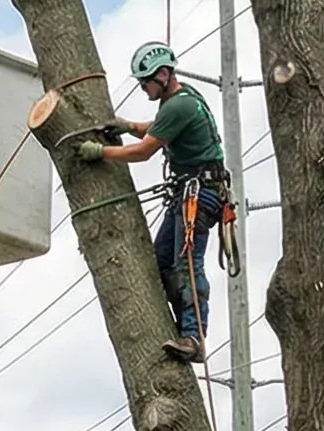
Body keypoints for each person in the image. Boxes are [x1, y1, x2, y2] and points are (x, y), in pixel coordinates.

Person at [79, 43, 228, 360]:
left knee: (187, 264)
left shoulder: (179, 106)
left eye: (145, 80)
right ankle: (178, 324)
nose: (143, 87)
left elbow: (143, 151)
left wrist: (101, 152)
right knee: (161, 261)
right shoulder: (180, 99)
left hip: (199, 194)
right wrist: (129, 125)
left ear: (163, 74)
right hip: (189, 191)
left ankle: (193, 338)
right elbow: (157, 127)